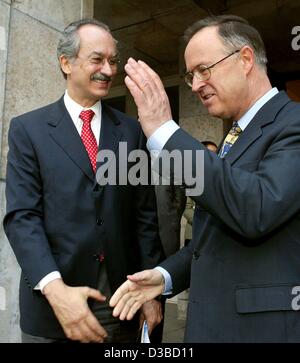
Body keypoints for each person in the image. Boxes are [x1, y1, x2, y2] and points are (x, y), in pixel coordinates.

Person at [110, 15, 300, 342]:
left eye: (203, 69)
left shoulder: (292, 124)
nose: (196, 85)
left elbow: (255, 209)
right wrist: (166, 275)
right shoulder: (236, 136)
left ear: (244, 59)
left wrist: (165, 131)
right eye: (190, 76)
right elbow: (217, 235)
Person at [3, 18, 164, 343]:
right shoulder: (28, 130)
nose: (108, 69)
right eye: (97, 59)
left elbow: (144, 217)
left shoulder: (131, 132)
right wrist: (54, 288)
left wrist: (152, 291)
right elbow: (23, 217)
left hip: (122, 302)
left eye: (113, 61)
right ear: (66, 62)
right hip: (53, 306)